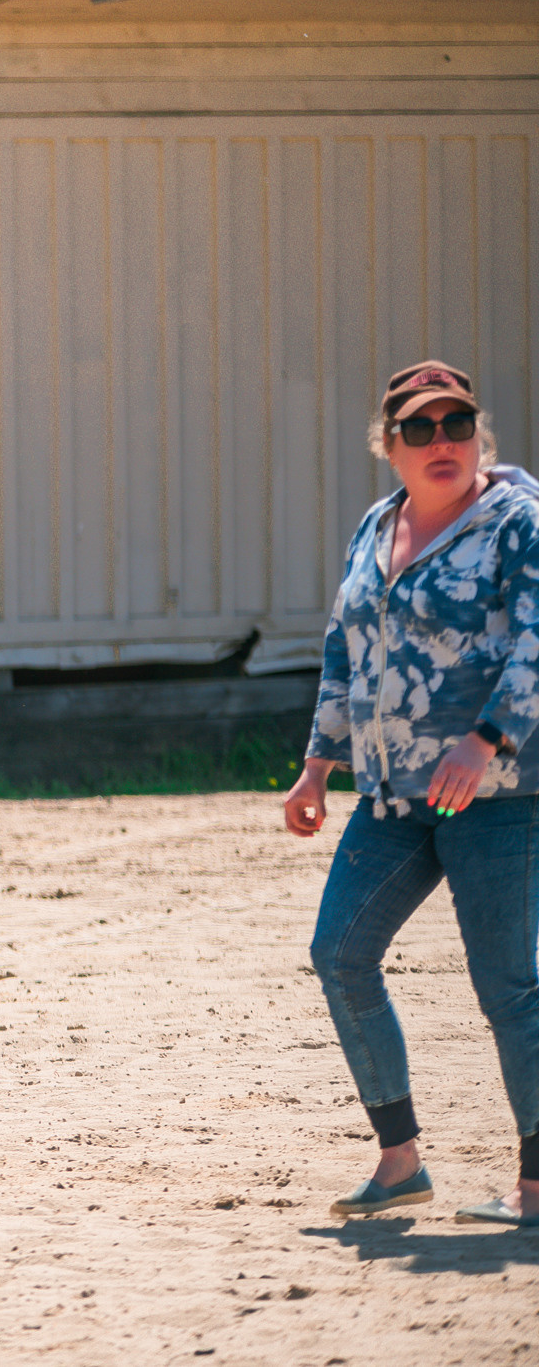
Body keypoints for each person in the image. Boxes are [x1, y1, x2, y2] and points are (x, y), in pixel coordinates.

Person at [283, 360, 539, 1228]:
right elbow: (343, 650)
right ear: (389, 446)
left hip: (495, 794)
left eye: (458, 423)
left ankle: (537, 1187)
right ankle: (400, 1162)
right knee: (340, 953)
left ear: (479, 436)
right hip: (393, 797)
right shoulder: (376, 526)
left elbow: (537, 641)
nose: (442, 441)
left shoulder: (517, 523)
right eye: (420, 428)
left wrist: (486, 736)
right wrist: (318, 764)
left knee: (508, 988)